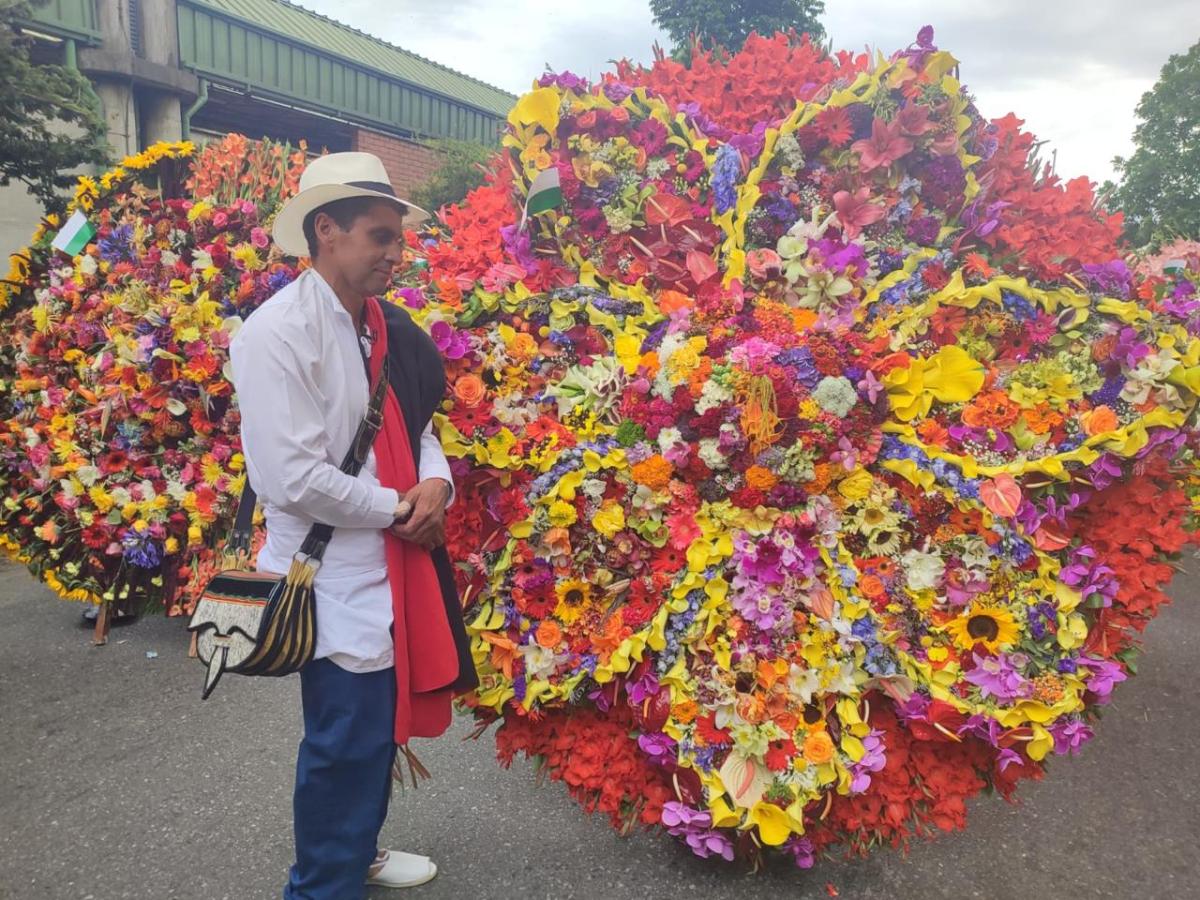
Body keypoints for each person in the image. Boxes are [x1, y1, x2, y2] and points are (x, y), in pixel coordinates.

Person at [229, 152, 477, 898]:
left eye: (398, 238)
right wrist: (398, 510)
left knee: (373, 731)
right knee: (344, 739)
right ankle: (322, 886)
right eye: (379, 236)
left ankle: (357, 851)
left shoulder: (384, 325)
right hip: (329, 571)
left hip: (393, 554)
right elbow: (290, 479)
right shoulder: (276, 335)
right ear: (326, 230)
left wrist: (434, 480)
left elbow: (415, 417)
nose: (395, 255)